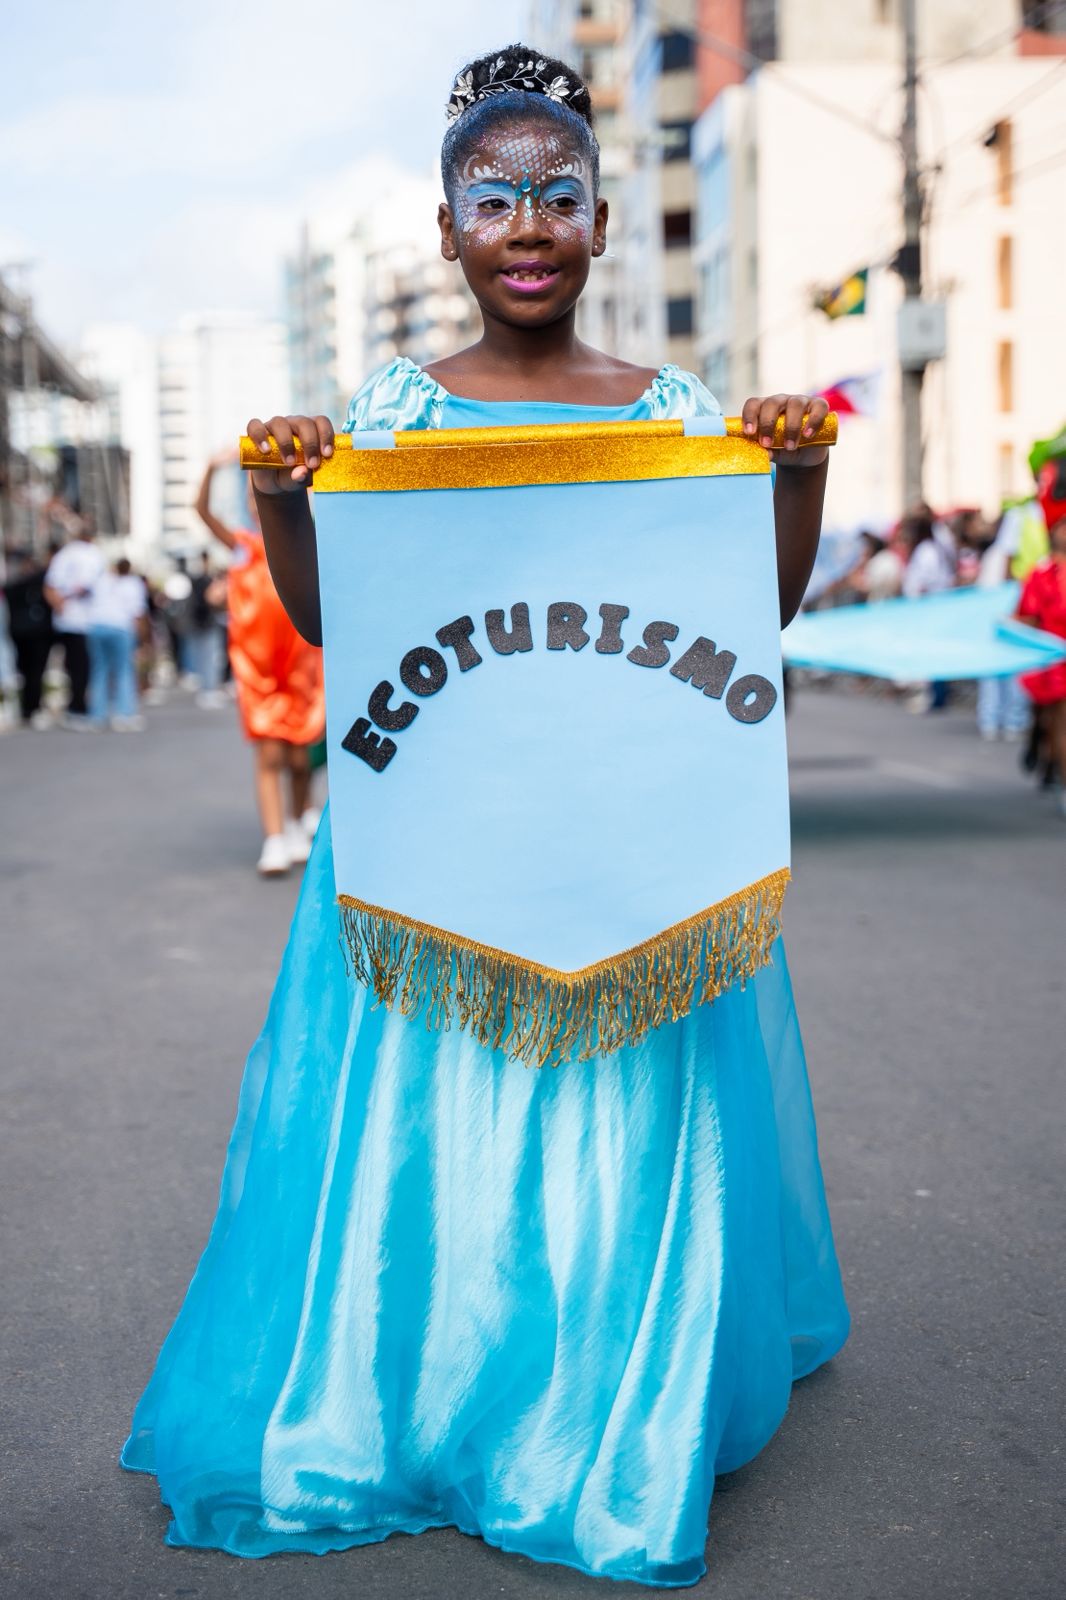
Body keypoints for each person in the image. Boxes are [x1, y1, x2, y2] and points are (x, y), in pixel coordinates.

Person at [122, 48, 848, 1588]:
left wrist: (793, 472)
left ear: (597, 226)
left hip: (629, 837)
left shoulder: (671, 413)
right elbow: (341, 636)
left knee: (624, 1128)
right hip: (438, 836)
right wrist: (279, 497)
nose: (526, 223)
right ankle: (433, 1391)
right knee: (437, 1121)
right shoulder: (390, 409)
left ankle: (603, 1407)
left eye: (557, 196)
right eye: (493, 197)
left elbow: (746, 620)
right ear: (447, 230)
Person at [193, 451, 324, 874]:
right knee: (270, 755)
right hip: (260, 670)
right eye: (252, 498)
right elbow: (201, 511)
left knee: (300, 757)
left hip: (302, 666)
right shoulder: (244, 548)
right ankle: (274, 837)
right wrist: (213, 468)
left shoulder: (307, 544)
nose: (257, 504)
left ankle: (300, 813)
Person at [1016, 515, 1066, 814]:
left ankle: (1045, 757)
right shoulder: (1043, 573)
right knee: (1055, 721)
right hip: (1053, 660)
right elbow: (1029, 616)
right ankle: (1046, 757)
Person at [43, 522, 104, 726]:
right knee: (83, 667)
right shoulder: (92, 554)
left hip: (73, 621)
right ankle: (79, 706)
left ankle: (80, 706)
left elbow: (50, 587)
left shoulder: (66, 555)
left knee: (75, 666)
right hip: (84, 622)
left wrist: (60, 605)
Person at [901, 505, 956, 710]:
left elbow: (926, 579)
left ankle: (936, 696)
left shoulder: (928, 550)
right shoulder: (931, 547)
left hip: (929, 609)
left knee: (932, 652)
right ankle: (934, 694)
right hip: (929, 608)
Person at [87, 557, 148, 730]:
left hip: (97, 626)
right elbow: (138, 613)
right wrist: (142, 639)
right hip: (120, 627)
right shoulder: (133, 583)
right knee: (124, 671)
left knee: (99, 670)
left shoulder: (102, 580)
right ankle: (124, 713)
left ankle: (97, 715)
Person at [2, 548, 54, 727]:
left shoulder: (24, 584)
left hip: (30, 633)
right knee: (30, 673)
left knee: (32, 673)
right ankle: (29, 708)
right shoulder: (23, 584)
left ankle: (30, 708)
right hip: (29, 634)